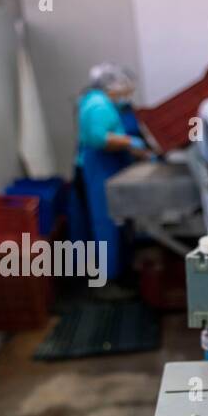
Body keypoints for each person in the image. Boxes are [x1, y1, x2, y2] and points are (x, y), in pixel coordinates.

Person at [74, 63, 149, 280]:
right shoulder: (99, 105)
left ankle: (116, 272)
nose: (128, 94)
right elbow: (100, 139)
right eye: (127, 89)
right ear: (114, 86)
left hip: (104, 167)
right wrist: (130, 142)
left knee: (111, 222)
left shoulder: (98, 101)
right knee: (106, 224)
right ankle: (108, 280)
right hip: (100, 168)